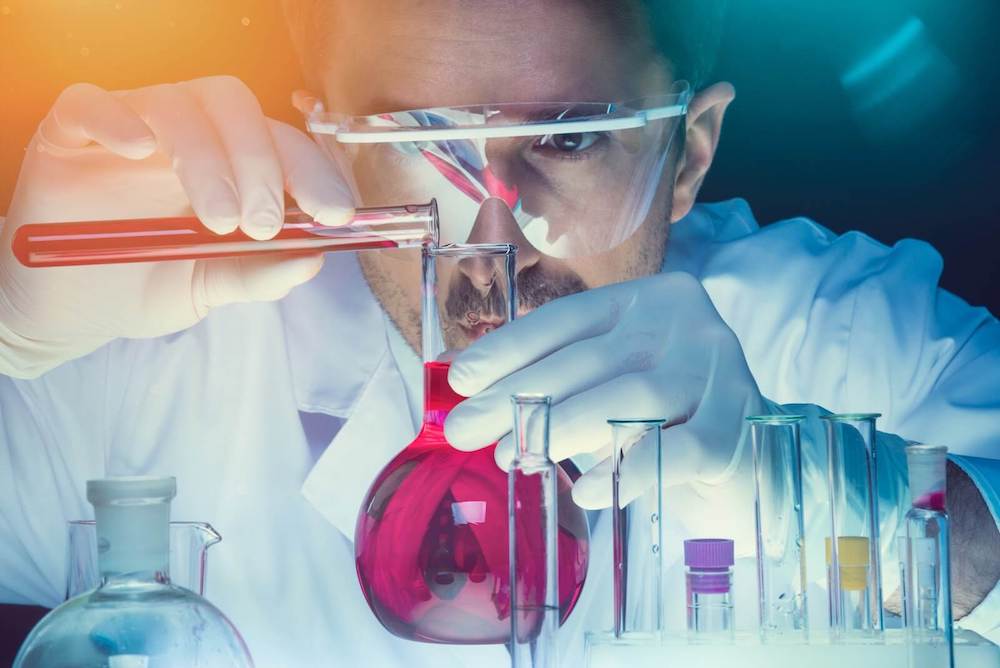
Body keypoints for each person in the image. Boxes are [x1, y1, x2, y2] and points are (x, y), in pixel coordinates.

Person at [1, 1, 998, 665]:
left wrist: (816, 478)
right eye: (417, 141)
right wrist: (10, 344)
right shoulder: (154, 360)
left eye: (568, 136)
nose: (494, 233)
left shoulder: (838, 333)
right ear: (336, 150)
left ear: (687, 153)